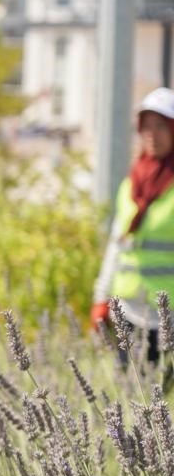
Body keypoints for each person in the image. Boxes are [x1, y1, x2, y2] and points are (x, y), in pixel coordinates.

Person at [92, 87, 174, 367]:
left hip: (168, 319)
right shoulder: (131, 183)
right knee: (132, 401)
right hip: (127, 313)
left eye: (161, 126)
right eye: (146, 126)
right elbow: (116, 247)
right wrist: (101, 298)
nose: (152, 133)